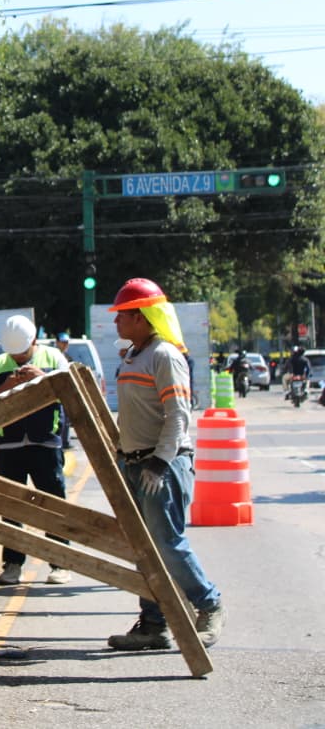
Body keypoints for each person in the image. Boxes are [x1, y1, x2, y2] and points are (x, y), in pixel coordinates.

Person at [106, 277, 225, 650]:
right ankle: (154, 624)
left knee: (167, 543)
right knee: (146, 547)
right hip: (136, 463)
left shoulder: (164, 356)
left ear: (142, 318)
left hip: (161, 466)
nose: (116, 322)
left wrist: (159, 462)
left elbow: (178, 415)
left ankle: (209, 604)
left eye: (122, 315)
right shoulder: (133, 356)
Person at [0, 314, 72, 586]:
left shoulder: (53, 359)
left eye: (24, 354)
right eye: (15, 354)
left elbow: (69, 392)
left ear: (34, 342)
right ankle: (13, 564)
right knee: (11, 507)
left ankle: (60, 563)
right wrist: (8, 385)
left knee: (53, 503)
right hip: (10, 445)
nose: (20, 359)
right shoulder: (0, 364)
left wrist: (44, 378)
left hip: (44, 443)